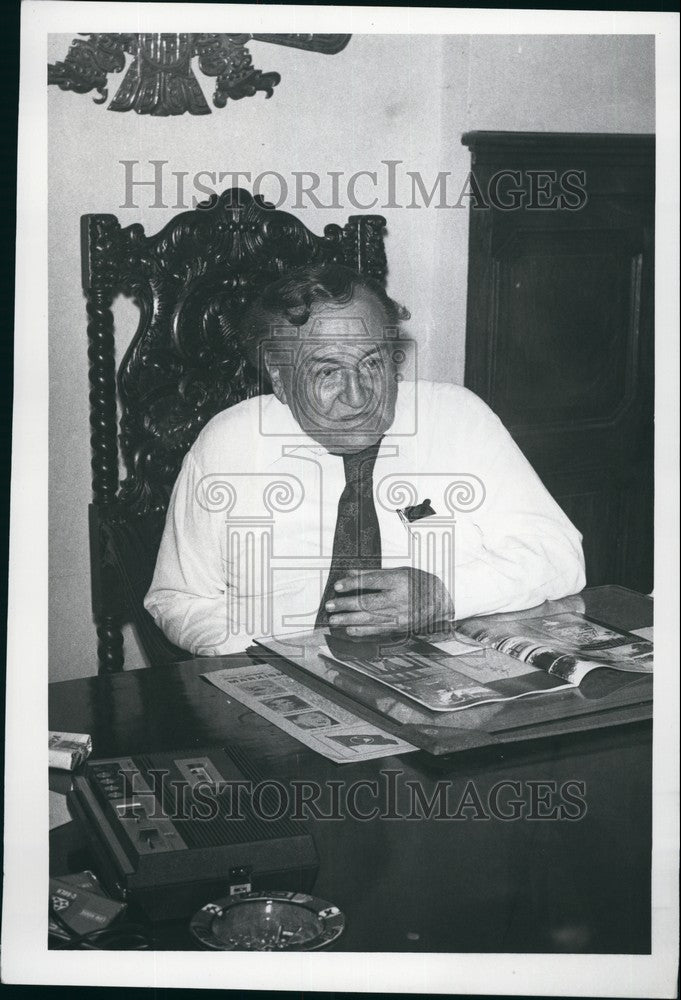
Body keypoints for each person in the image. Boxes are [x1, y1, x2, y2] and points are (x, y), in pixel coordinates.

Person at [145, 264, 585, 656]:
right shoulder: (231, 444)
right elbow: (178, 599)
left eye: (373, 364)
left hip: (446, 677)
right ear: (279, 379)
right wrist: (269, 654)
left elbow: (559, 556)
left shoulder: (456, 418)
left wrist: (442, 594)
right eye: (327, 372)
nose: (358, 397)